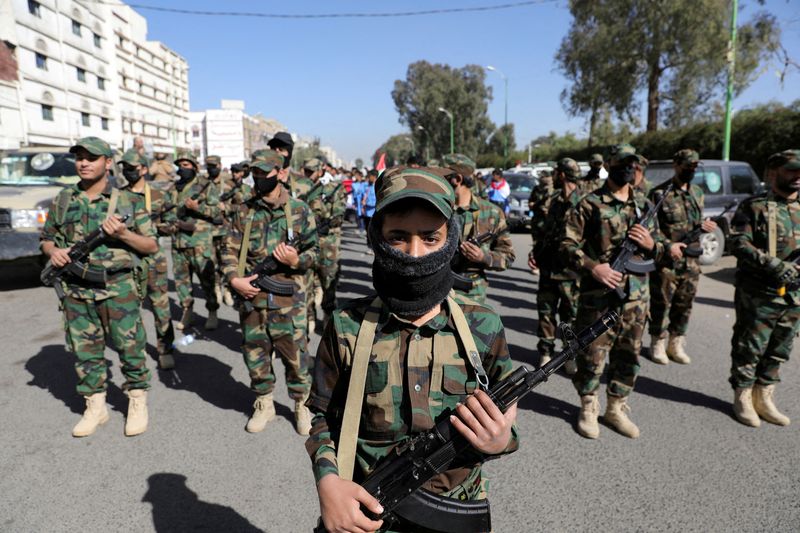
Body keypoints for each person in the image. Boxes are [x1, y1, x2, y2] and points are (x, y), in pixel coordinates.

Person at [305, 166, 518, 533]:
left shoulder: (482, 326)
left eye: (431, 238)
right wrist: (328, 482)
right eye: (398, 237)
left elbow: (506, 407)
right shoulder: (346, 326)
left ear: (450, 238)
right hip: (369, 510)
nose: (415, 254)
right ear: (377, 238)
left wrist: (501, 440)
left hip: (456, 508)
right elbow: (322, 417)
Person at [40, 137, 158, 437]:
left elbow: (150, 244)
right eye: (79, 157)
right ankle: (95, 406)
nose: (83, 162)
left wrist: (123, 234)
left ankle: (137, 400)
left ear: (108, 163)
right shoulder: (64, 199)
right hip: (76, 291)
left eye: (91, 157)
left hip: (118, 289)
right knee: (85, 351)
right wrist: (54, 252)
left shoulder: (127, 201)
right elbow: (46, 238)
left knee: (130, 348)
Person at [560, 143, 665, 439]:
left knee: (628, 355)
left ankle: (616, 407)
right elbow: (567, 246)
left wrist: (651, 245)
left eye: (633, 164)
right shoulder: (589, 202)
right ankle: (589, 406)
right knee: (592, 355)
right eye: (623, 163)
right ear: (610, 164)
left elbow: (661, 251)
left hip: (636, 299)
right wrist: (595, 267)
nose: (629, 169)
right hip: (599, 296)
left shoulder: (644, 205)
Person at [222, 154, 319, 435]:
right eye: (255, 173)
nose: (259, 178)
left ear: (281, 173)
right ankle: (264, 403)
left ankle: (302, 404)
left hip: (290, 301)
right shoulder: (244, 211)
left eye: (265, 172)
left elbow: (316, 252)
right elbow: (228, 249)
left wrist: (295, 261)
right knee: (255, 353)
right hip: (252, 298)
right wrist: (234, 279)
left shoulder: (299, 211)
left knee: (296, 356)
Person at [728, 149, 800, 428]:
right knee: (749, 347)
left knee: (780, 347)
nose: (797, 177)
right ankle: (743, 396)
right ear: (774, 173)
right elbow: (739, 243)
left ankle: (764, 396)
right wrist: (774, 265)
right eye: (791, 170)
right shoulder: (754, 206)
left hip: (794, 295)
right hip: (759, 293)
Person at [648, 149, 716, 365]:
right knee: (662, 303)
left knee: (684, 304)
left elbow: (696, 221)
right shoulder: (659, 193)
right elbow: (650, 229)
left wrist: (705, 226)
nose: (691, 170)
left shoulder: (697, 192)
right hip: (668, 261)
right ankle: (657, 342)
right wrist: (668, 245)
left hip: (691, 260)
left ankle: (676, 343)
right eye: (687, 166)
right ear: (676, 165)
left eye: (694, 167)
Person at [118, 149, 179, 370]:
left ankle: (165, 348)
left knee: (160, 306)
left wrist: (153, 227)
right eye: (124, 168)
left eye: (132, 168)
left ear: (144, 169)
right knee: (130, 307)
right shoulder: (118, 196)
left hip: (153, 259)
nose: (128, 172)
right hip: (126, 260)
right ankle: (137, 349)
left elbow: (172, 224)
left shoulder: (158, 195)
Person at [530, 158, 582, 374]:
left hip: (572, 271)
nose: (553, 176)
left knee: (571, 316)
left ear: (561, 174)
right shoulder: (553, 200)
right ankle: (546, 352)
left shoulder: (584, 201)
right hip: (549, 267)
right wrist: (535, 252)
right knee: (546, 312)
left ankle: (570, 353)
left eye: (556, 172)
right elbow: (544, 231)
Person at [444, 153, 515, 304]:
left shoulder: (492, 213)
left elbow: (508, 256)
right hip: (436, 292)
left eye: (444, 175)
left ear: (457, 179)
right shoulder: (436, 210)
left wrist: (483, 257)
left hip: (472, 296)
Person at [171, 151, 221, 331]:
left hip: (199, 242)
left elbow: (217, 213)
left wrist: (198, 208)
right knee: (181, 281)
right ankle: (187, 310)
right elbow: (167, 210)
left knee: (206, 279)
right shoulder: (174, 187)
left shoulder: (205, 186)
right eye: (180, 165)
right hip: (178, 241)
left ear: (194, 166)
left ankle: (212, 311)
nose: (182, 168)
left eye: (186, 165)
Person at [306, 158, 346, 325]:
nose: (307, 175)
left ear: (320, 171)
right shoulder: (302, 189)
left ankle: (328, 314)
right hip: (308, 241)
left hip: (328, 242)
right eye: (306, 171)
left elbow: (339, 213)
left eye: (311, 172)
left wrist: (325, 223)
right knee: (306, 280)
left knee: (328, 279)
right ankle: (309, 318)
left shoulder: (334, 188)